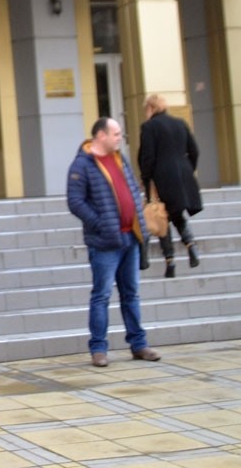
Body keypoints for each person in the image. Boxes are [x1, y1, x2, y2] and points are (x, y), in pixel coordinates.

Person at [66, 117, 160, 368]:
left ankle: (139, 344)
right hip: (104, 242)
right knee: (102, 295)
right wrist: (100, 223)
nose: (120, 137)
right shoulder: (82, 164)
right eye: (116, 133)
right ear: (101, 135)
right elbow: (75, 201)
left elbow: (131, 191)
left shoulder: (120, 159)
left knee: (131, 294)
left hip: (130, 237)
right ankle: (98, 349)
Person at [137, 93, 203, 278]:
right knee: (175, 214)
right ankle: (191, 245)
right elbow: (194, 151)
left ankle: (170, 262)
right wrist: (188, 170)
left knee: (160, 218)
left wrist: (145, 179)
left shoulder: (149, 127)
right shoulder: (180, 123)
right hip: (183, 178)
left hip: (161, 178)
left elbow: (147, 157)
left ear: (151, 108)